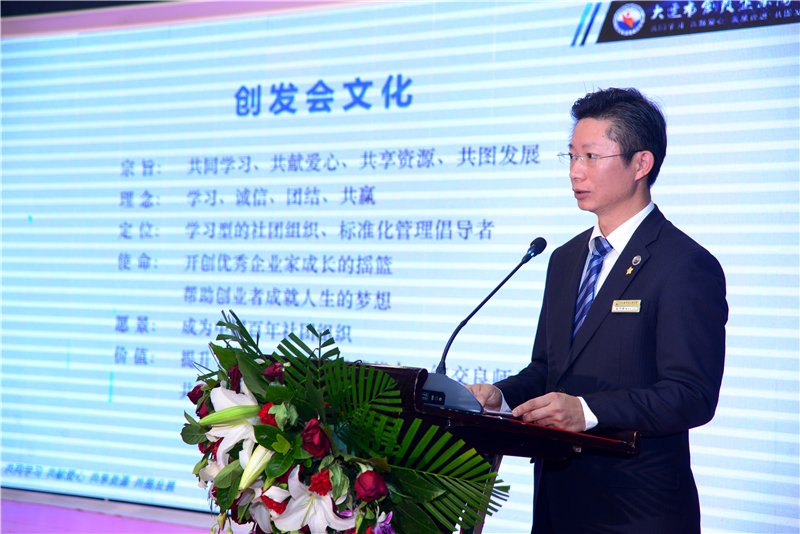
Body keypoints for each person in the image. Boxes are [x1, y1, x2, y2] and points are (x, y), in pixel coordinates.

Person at [466, 87, 727, 534]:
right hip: (557, 505)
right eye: (571, 156)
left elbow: (691, 395)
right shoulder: (565, 258)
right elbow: (549, 370)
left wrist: (586, 411)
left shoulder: (684, 264)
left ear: (641, 164)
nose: (575, 171)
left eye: (590, 156)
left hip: (637, 513)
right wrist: (502, 398)